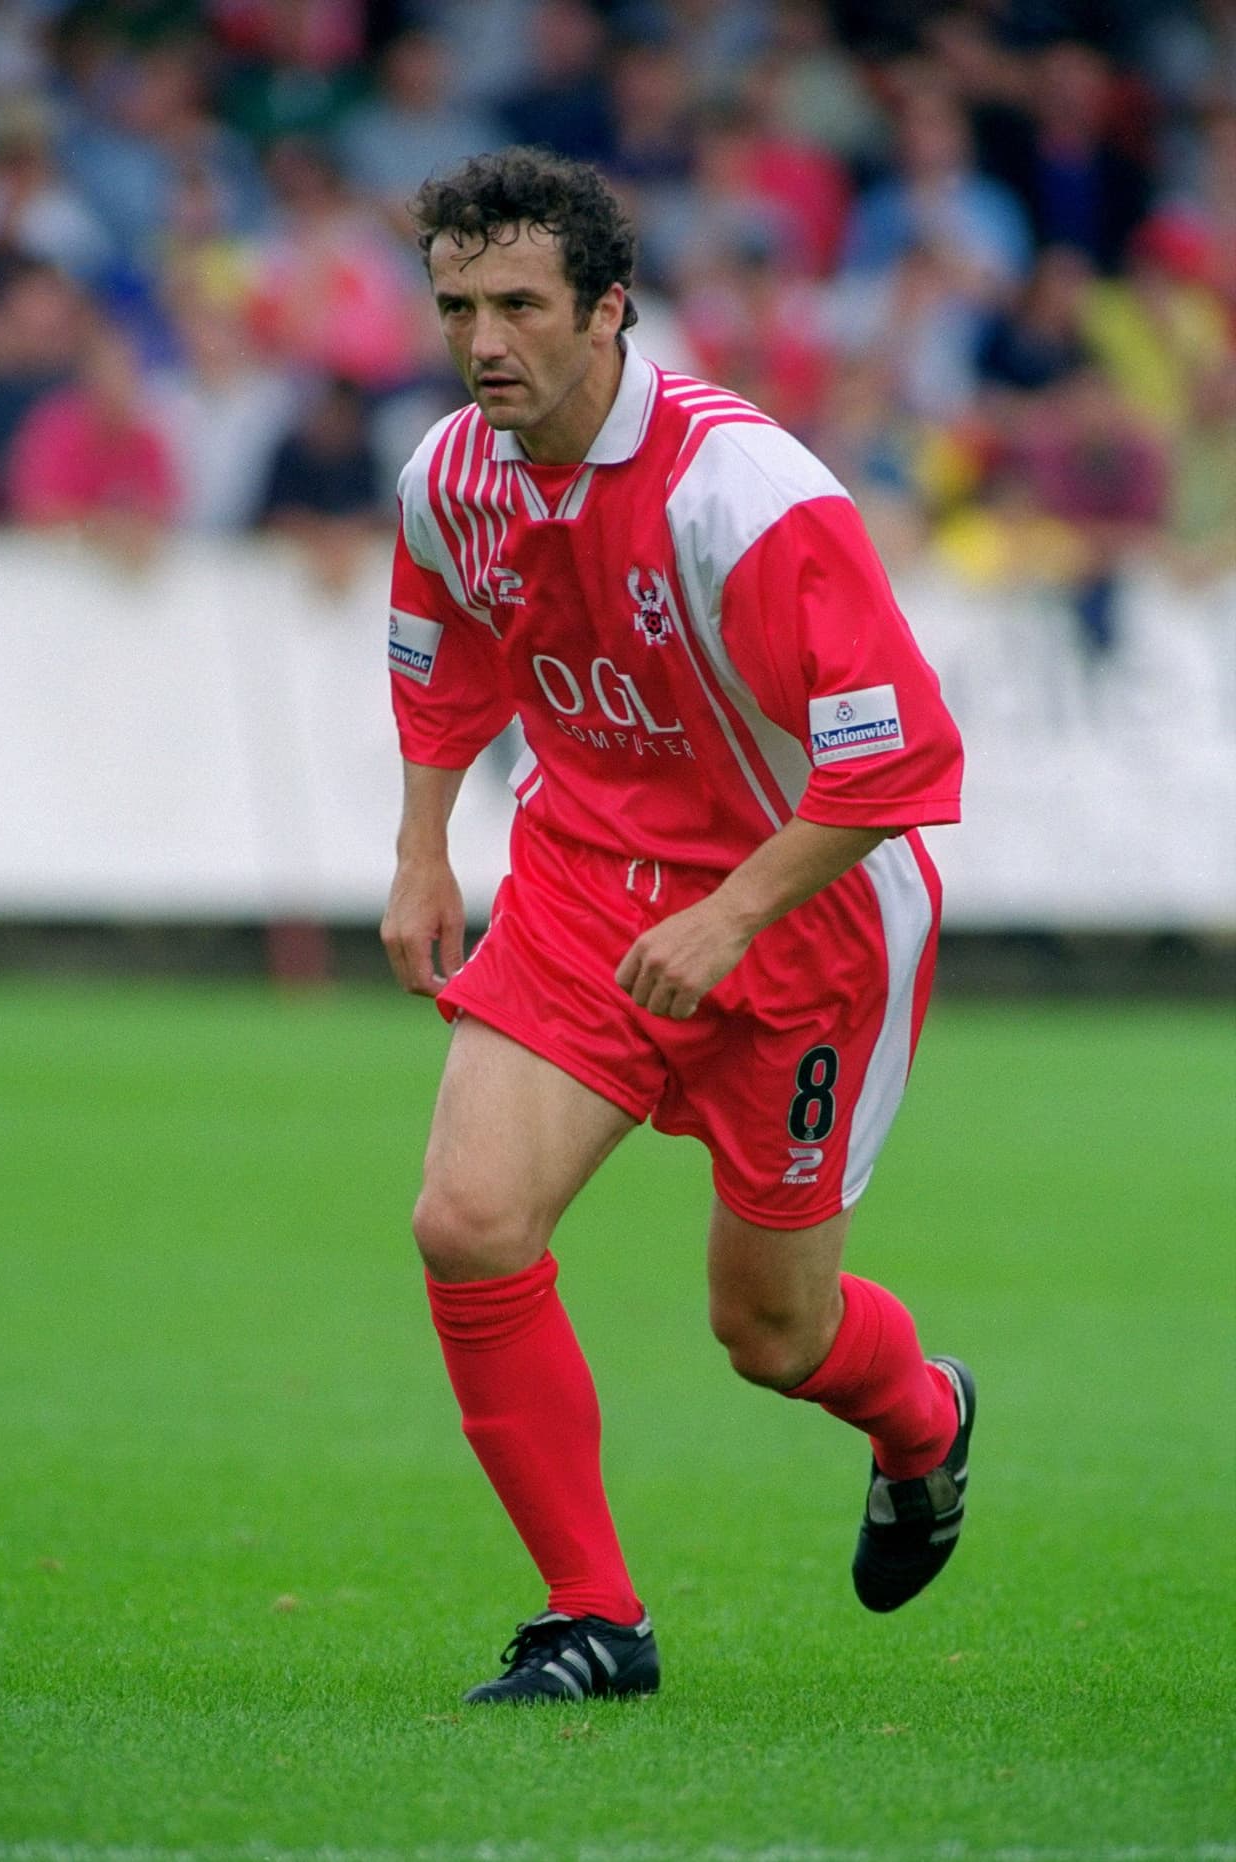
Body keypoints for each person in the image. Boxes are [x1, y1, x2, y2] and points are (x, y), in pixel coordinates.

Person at [381, 147, 974, 1707]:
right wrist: (423, 851)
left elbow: (898, 758)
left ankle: (921, 1419)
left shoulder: (747, 493)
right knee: (467, 1219)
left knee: (768, 1332)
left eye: (520, 304)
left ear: (610, 309)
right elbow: (442, 650)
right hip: (584, 885)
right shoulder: (448, 473)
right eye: (458, 305)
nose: (485, 339)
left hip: (810, 923)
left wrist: (732, 914)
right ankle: (595, 1617)